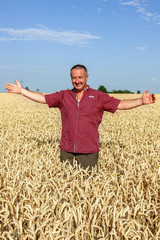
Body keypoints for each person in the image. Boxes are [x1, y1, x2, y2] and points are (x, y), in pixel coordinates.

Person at [5, 64, 156, 171]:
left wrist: (140, 101)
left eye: (80, 77)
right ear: (71, 78)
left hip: (88, 152)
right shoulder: (64, 95)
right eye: (74, 78)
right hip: (67, 151)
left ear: (87, 77)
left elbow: (120, 104)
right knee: (66, 188)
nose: (77, 81)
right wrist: (22, 91)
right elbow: (43, 98)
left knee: (88, 190)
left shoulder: (98, 96)